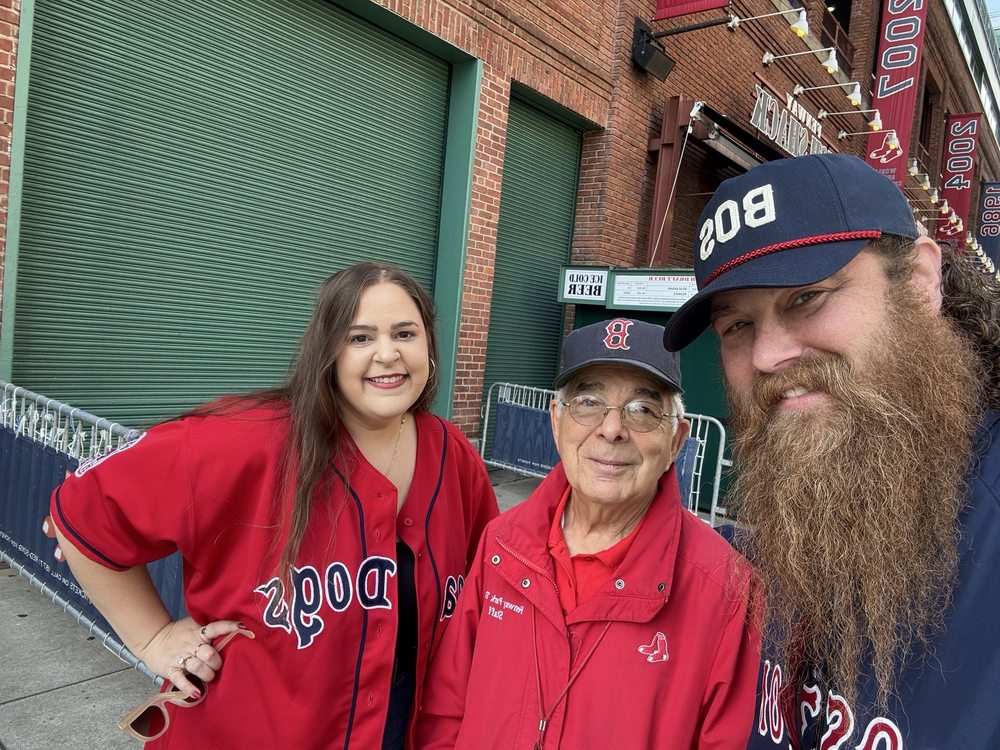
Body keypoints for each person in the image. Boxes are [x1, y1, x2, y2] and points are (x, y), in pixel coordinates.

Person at [48, 261, 499, 749]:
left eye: (405, 333)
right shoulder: (242, 440)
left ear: (428, 347)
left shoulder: (454, 455)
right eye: (360, 337)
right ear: (327, 351)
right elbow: (81, 513)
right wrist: (153, 639)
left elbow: (488, 588)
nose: (387, 354)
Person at [662, 153, 1000, 748]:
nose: (766, 355)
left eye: (807, 297)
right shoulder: (789, 519)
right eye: (736, 326)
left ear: (920, 283)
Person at [415, 318, 762, 749]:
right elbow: (446, 710)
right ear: (557, 421)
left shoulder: (725, 589)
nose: (612, 429)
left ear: (676, 441)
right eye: (588, 402)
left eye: (643, 410)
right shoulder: (501, 543)